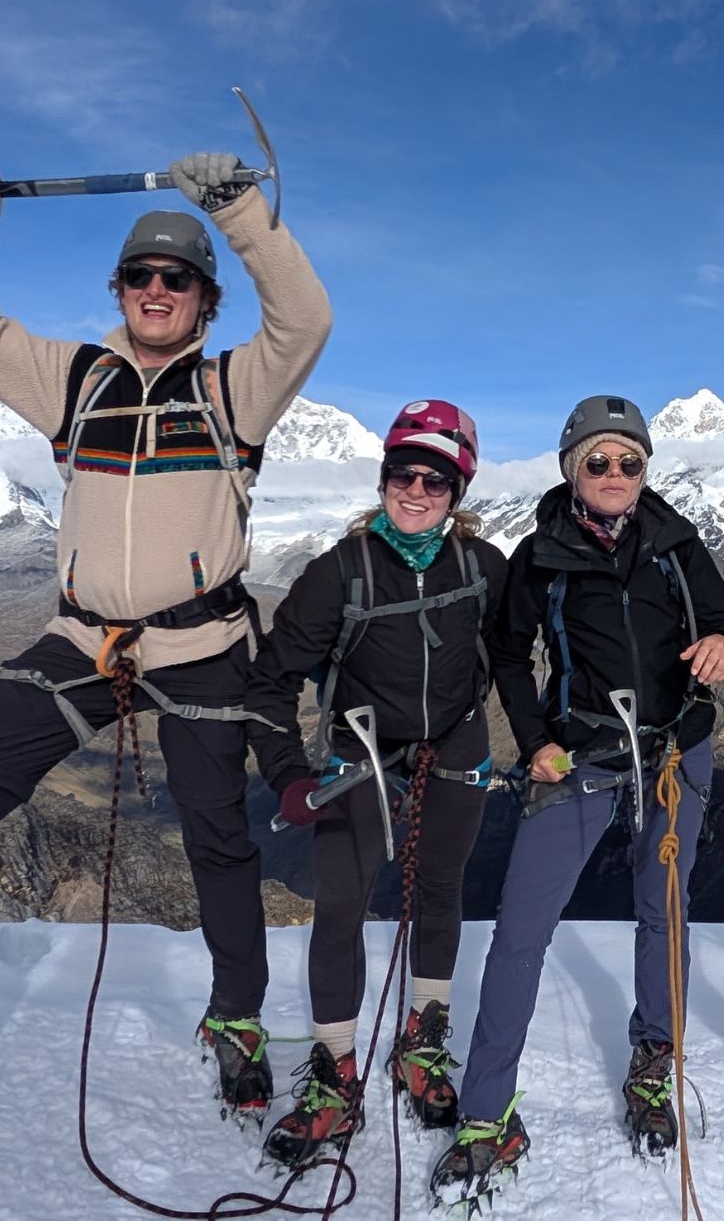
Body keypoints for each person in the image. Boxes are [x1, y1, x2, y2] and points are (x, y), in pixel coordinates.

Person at [0, 151, 332, 1138]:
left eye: (176, 279)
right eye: (140, 276)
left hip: (203, 643)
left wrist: (235, 208)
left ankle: (236, 1020)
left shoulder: (234, 391)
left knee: (220, 841)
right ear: (120, 290)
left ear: (204, 299)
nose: (155, 291)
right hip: (82, 640)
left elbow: (304, 319)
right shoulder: (75, 382)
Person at [431, 394, 724, 1206]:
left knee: (662, 917)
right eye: (598, 461)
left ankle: (653, 1063)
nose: (614, 473)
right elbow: (508, 655)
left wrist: (721, 644)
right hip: (580, 757)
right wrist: (535, 739)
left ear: (646, 469)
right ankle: (486, 1108)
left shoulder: (678, 543)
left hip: (675, 752)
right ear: (571, 468)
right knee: (519, 931)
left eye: (629, 461)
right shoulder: (540, 555)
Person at [241, 400, 504, 1169]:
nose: (415, 491)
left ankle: (422, 1042)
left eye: (434, 479)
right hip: (361, 750)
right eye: (402, 475)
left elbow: (515, 655)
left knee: (441, 891)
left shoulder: (483, 568)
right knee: (341, 906)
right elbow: (271, 683)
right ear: (384, 479)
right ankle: (335, 1071)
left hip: (456, 740)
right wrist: (288, 773)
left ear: (458, 492)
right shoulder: (339, 573)